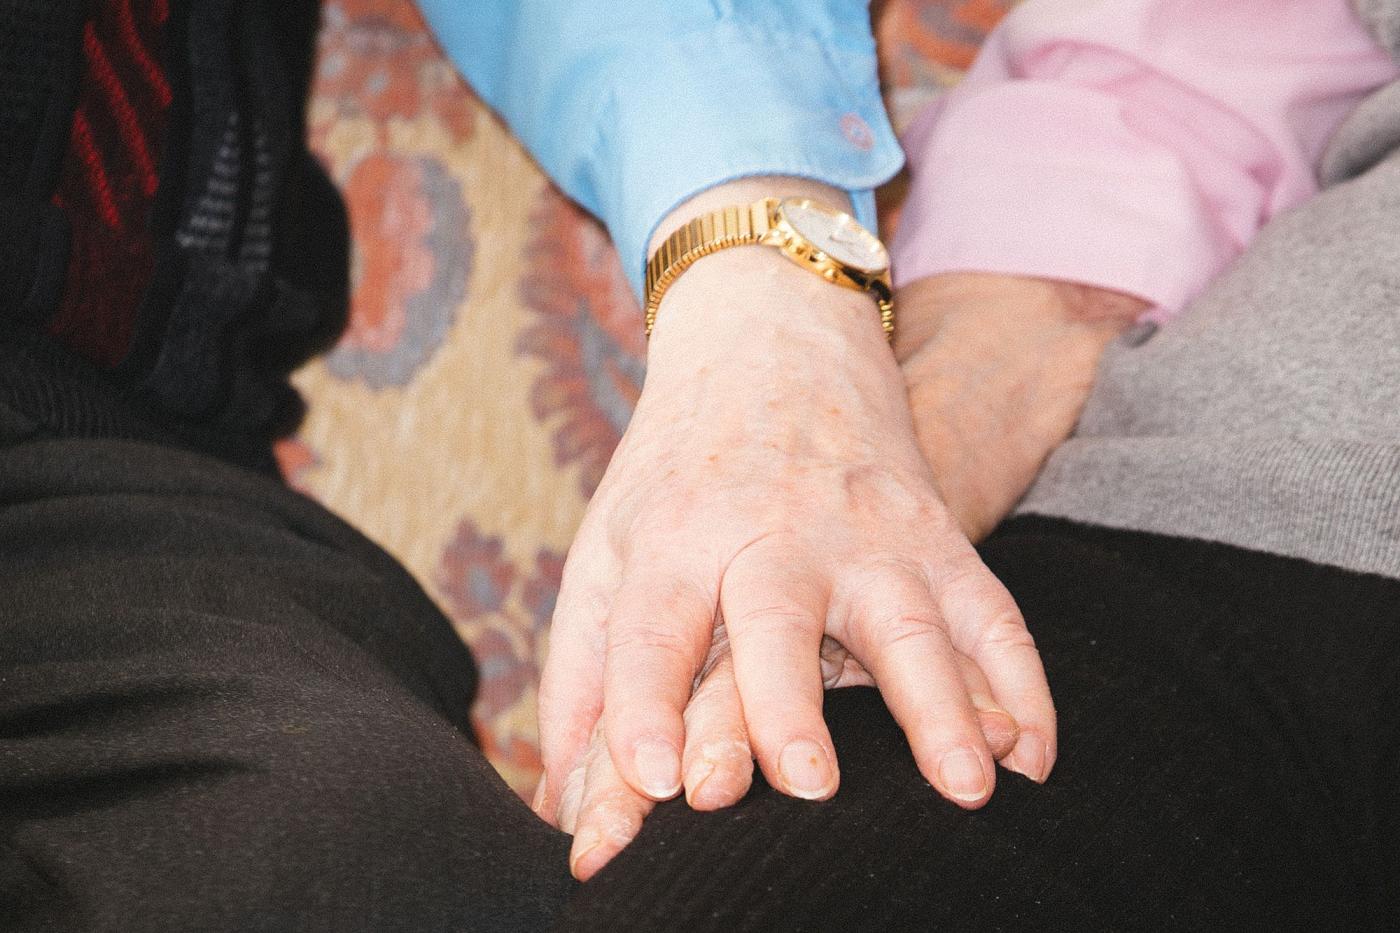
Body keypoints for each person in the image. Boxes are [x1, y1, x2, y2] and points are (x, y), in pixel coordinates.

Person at [1, 4, 1396, 933]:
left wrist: (775, 307)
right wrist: (869, 446)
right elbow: (1185, 80)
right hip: (1269, 497)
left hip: (85, 488)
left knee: (367, 874)